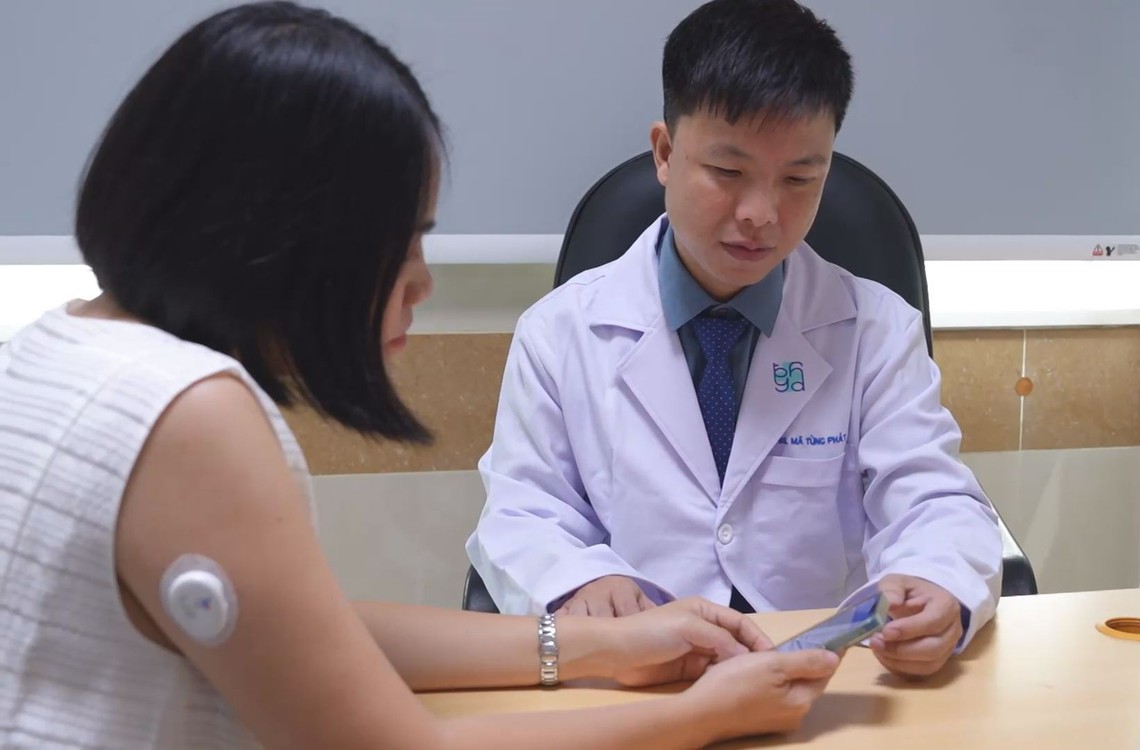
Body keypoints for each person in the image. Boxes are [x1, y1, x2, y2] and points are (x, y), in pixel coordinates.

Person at [0, 3, 843, 748]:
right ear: (285, 232)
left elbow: (318, 634)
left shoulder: (62, 346)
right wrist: (703, 718)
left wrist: (605, 644)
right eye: (404, 237)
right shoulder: (192, 418)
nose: (422, 282)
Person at [467, 0, 1002, 679]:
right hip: (640, 680)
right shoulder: (559, 332)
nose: (761, 214)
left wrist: (937, 581)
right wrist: (578, 581)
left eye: (800, 179)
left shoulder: (876, 330)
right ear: (665, 153)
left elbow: (932, 498)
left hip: (823, 676)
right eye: (728, 172)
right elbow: (522, 511)